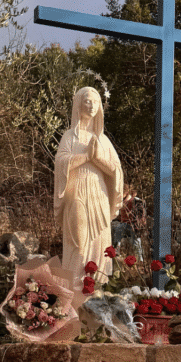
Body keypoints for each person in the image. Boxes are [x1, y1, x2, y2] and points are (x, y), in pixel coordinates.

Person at [54, 86, 124, 286]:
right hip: (76, 192)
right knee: (79, 241)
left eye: (95, 102)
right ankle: (75, 288)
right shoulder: (70, 137)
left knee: (99, 241)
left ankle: (97, 287)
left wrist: (98, 159)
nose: (92, 105)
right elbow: (61, 163)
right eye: (87, 101)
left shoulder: (103, 140)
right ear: (78, 104)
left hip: (98, 194)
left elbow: (116, 171)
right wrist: (85, 156)